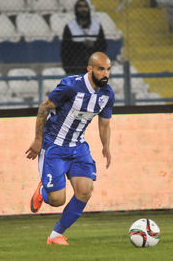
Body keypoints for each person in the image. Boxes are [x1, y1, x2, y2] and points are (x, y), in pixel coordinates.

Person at [26, 52, 114, 245]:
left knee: (85, 191)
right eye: (101, 69)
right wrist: (38, 139)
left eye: (108, 69)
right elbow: (44, 108)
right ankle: (43, 192)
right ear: (90, 69)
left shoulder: (107, 94)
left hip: (78, 148)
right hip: (54, 147)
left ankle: (56, 234)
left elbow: (104, 123)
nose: (105, 73)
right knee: (58, 200)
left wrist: (106, 146)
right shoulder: (71, 85)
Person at [61, 0, 107, 76]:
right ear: (76, 9)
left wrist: (93, 45)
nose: (83, 9)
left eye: (85, 6)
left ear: (89, 8)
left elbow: (103, 45)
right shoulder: (69, 27)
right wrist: (68, 70)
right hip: (75, 69)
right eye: (80, 6)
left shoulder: (97, 26)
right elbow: (65, 49)